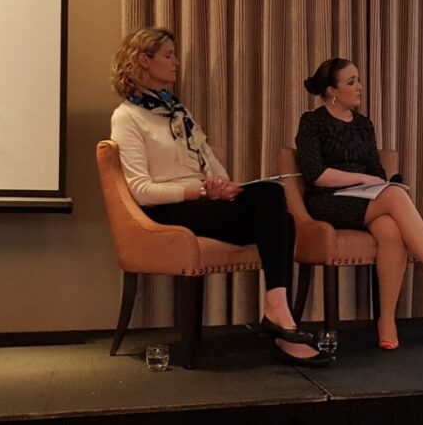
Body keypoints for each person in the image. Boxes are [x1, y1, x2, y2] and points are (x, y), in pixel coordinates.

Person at [109, 27, 330, 366]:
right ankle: (281, 320)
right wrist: (198, 190)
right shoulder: (127, 117)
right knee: (278, 220)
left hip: (203, 201)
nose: (176, 62)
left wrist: (220, 184)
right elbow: (141, 190)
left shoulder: (176, 110)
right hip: (167, 210)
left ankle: (277, 308)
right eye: (168, 55)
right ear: (143, 60)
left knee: (272, 196)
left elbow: (212, 163)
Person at [295, 58, 423, 351]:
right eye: (351, 82)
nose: (359, 87)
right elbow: (315, 174)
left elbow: (377, 174)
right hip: (327, 201)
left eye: (358, 80)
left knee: (392, 230)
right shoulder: (312, 122)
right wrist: (361, 179)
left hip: (365, 199)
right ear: (332, 91)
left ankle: (387, 320)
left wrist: (374, 182)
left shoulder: (364, 125)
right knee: (394, 196)